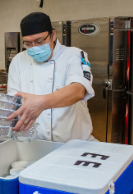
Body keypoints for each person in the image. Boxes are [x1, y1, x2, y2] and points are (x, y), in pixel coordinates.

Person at [6, 12, 95, 142]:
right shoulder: (18, 61)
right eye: (28, 44)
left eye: (39, 41)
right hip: (35, 146)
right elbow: (14, 102)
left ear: (53, 35)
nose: (34, 47)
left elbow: (78, 90)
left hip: (73, 145)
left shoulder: (74, 55)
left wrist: (42, 103)